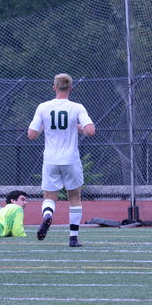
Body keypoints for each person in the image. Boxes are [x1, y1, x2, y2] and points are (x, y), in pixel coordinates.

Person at [27, 73, 95, 247]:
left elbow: (31, 135)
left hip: (51, 159)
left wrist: (45, 126)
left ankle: (48, 215)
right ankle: (73, 238)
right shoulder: (77, 107)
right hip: (71, 159)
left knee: (50, 196)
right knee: (74, 197)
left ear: (54, 87)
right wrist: (77, 127)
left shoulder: (43, 107)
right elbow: (90, 131)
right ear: (71, 87)